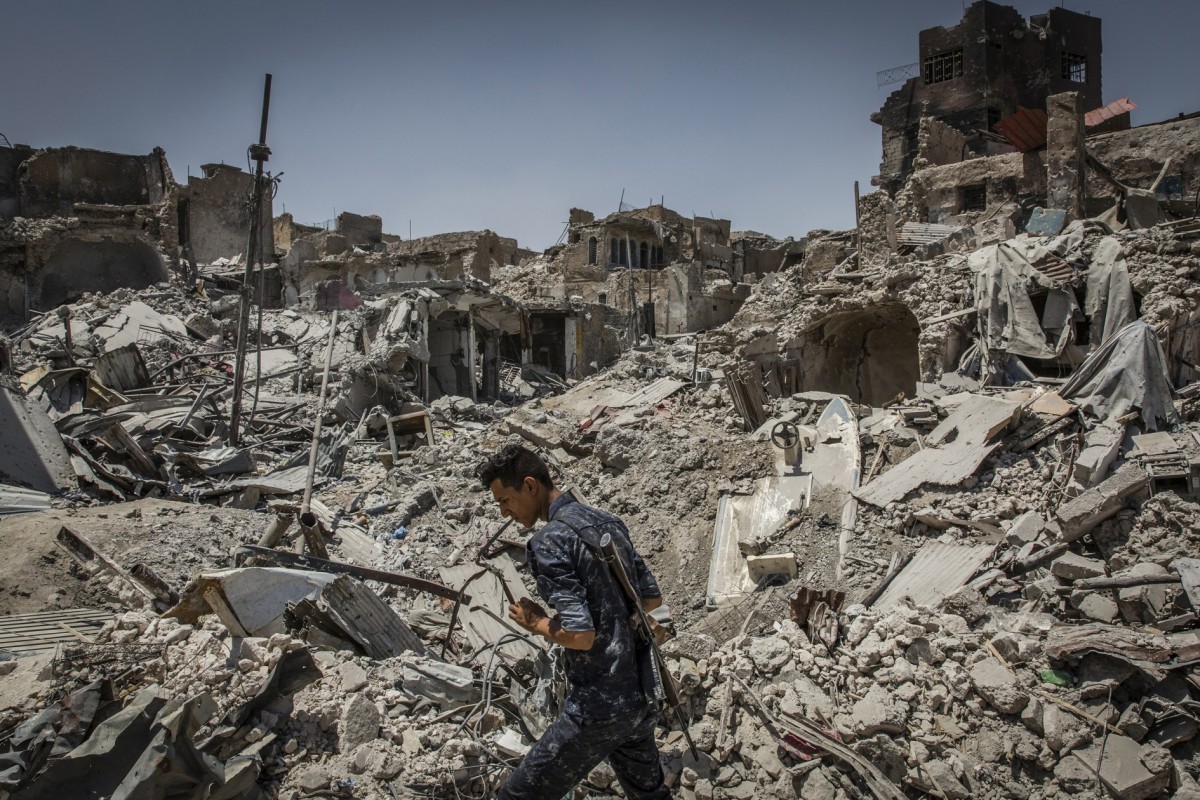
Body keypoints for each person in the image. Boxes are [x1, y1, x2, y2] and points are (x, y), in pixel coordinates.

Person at [476, 443, 671, 800]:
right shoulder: (607, 521)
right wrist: (616, 617)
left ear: (530, 486)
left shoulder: (549, 542)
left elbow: (581, 636)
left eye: (505, 500)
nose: (504, 511)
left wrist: (536, 622)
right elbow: (651, 599)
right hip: (639, 697)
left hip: (598, 707)